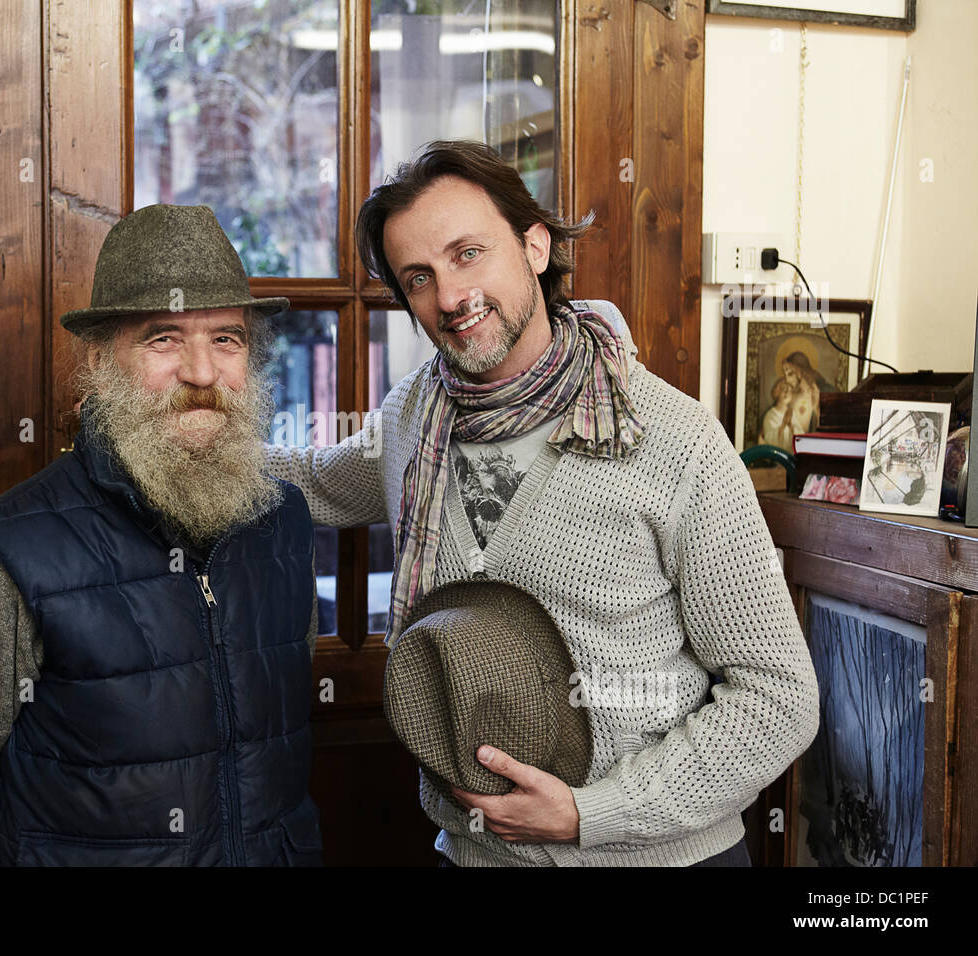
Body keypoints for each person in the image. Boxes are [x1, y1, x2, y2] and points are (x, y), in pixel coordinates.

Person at [264, 140, 820, 867]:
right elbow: (312, 480)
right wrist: (168, 433)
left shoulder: (673, 438)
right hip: (471, 855)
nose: (453, 297)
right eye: (420, 278)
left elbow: (779, 699)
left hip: (661, 858)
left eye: (469, 254)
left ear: (534, 245)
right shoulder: (413, 419)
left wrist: (591, 814)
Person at [0, 204, 322, 866]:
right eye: (163, 339)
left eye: (227, 339)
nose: (203, 373)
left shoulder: (283, 524)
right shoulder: (9, 555)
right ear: (101, 359)